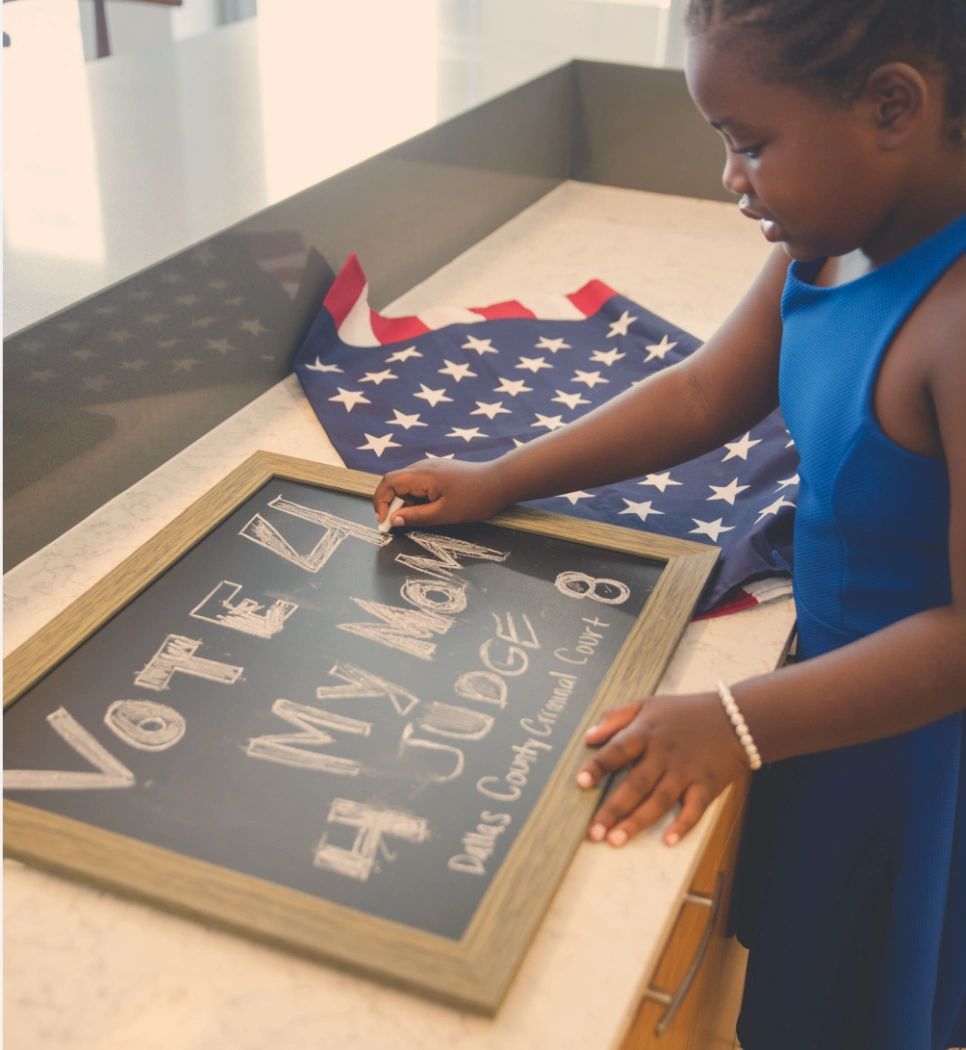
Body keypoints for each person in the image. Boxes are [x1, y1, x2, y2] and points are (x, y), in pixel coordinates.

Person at [372, 1, 966, 1045]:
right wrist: (504, 477)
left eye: (752, 144)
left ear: (891, 107)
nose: (731, 179)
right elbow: (701, 394)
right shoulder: (830, 242)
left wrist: (736, 721)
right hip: (820, 711)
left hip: (916, 759)